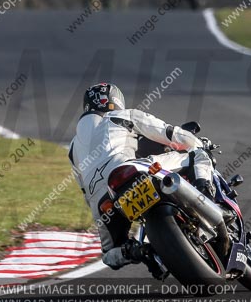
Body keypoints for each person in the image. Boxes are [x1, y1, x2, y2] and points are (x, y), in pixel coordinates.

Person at [68, 82, 215, 275]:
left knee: (109, 254)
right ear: (116, 101)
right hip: (128, 170)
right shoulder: (120, 115)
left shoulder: (72, 149)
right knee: (198, 155)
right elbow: (168, 132)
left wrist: (102, 211)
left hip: (102, 201)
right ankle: (205, 196)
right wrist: (195, 142)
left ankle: (140, 252)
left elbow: (84, 191)